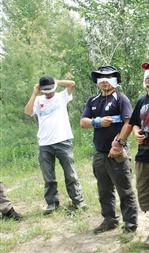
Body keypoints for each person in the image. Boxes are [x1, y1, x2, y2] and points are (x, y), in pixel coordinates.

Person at [108, 60, 149, 247]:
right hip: (143, 155)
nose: (148, 75)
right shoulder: (142, 100)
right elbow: (134, 122)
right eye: (146, 72)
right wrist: (133, 133)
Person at [80, 65, 138, 234]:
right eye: (101, 77)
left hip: (118, 152)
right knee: (104, 189)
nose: (105, 81)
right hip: (99, 153)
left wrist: (119, 144)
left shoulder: (121, 99)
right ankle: (109, 219)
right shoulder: (92, 100)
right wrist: (97, 122)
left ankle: (130, 224)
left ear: (115, 79)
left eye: (109, 77)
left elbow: (129, 122)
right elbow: (83, 122)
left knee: (124, 190)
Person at [24, 76, 86, 215]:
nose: (48, 93)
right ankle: (52, 203)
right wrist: (35, 93)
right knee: (48, 176)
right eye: (45, 90)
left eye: (50, 89)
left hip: (63, 141)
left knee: (70, 174)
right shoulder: (38, 100)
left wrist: (56, 81)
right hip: (45, 144)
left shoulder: (61, 96)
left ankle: (78, 201)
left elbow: (72, 83)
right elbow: (28, 112)